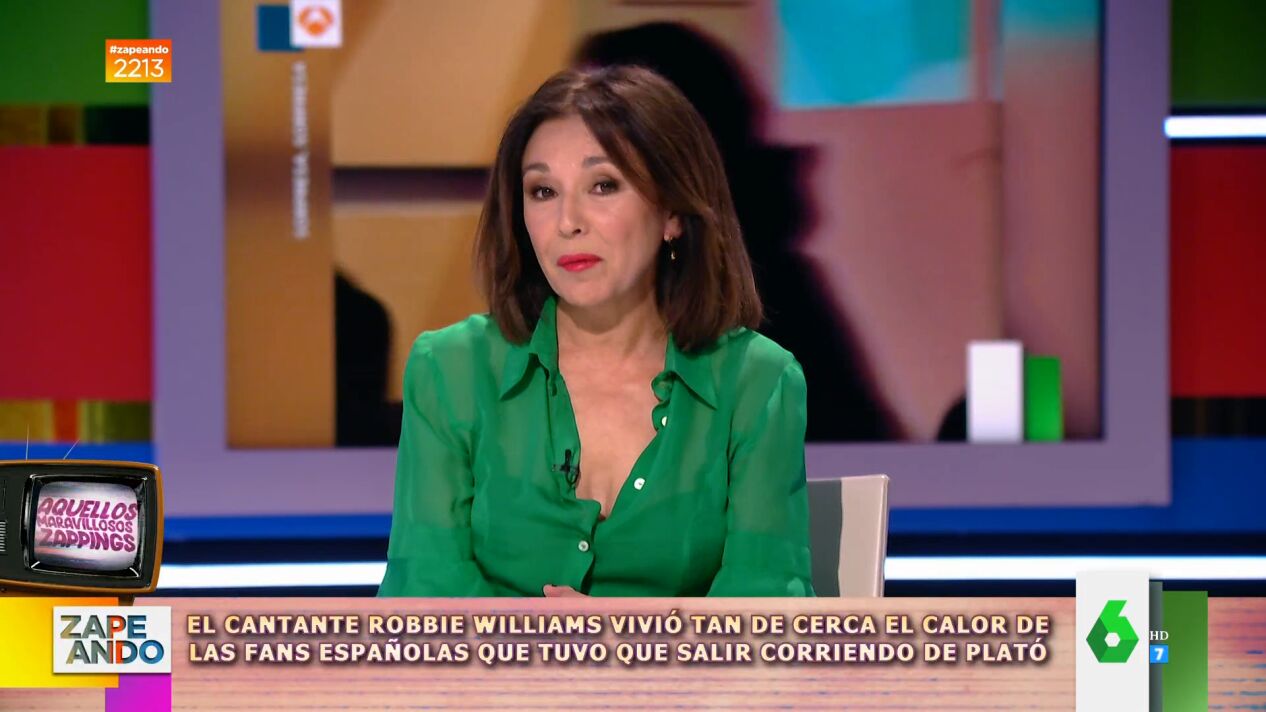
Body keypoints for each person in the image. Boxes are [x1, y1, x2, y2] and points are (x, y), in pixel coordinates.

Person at [378, 66, 813, 597]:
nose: (567, 222)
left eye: (603, 185)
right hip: (493, 657)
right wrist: (541, 639)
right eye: (543, 191)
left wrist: (618, 635)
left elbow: (764, 607)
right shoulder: (451, 369)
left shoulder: (757, 382)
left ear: (673, 213)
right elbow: (424, 594)